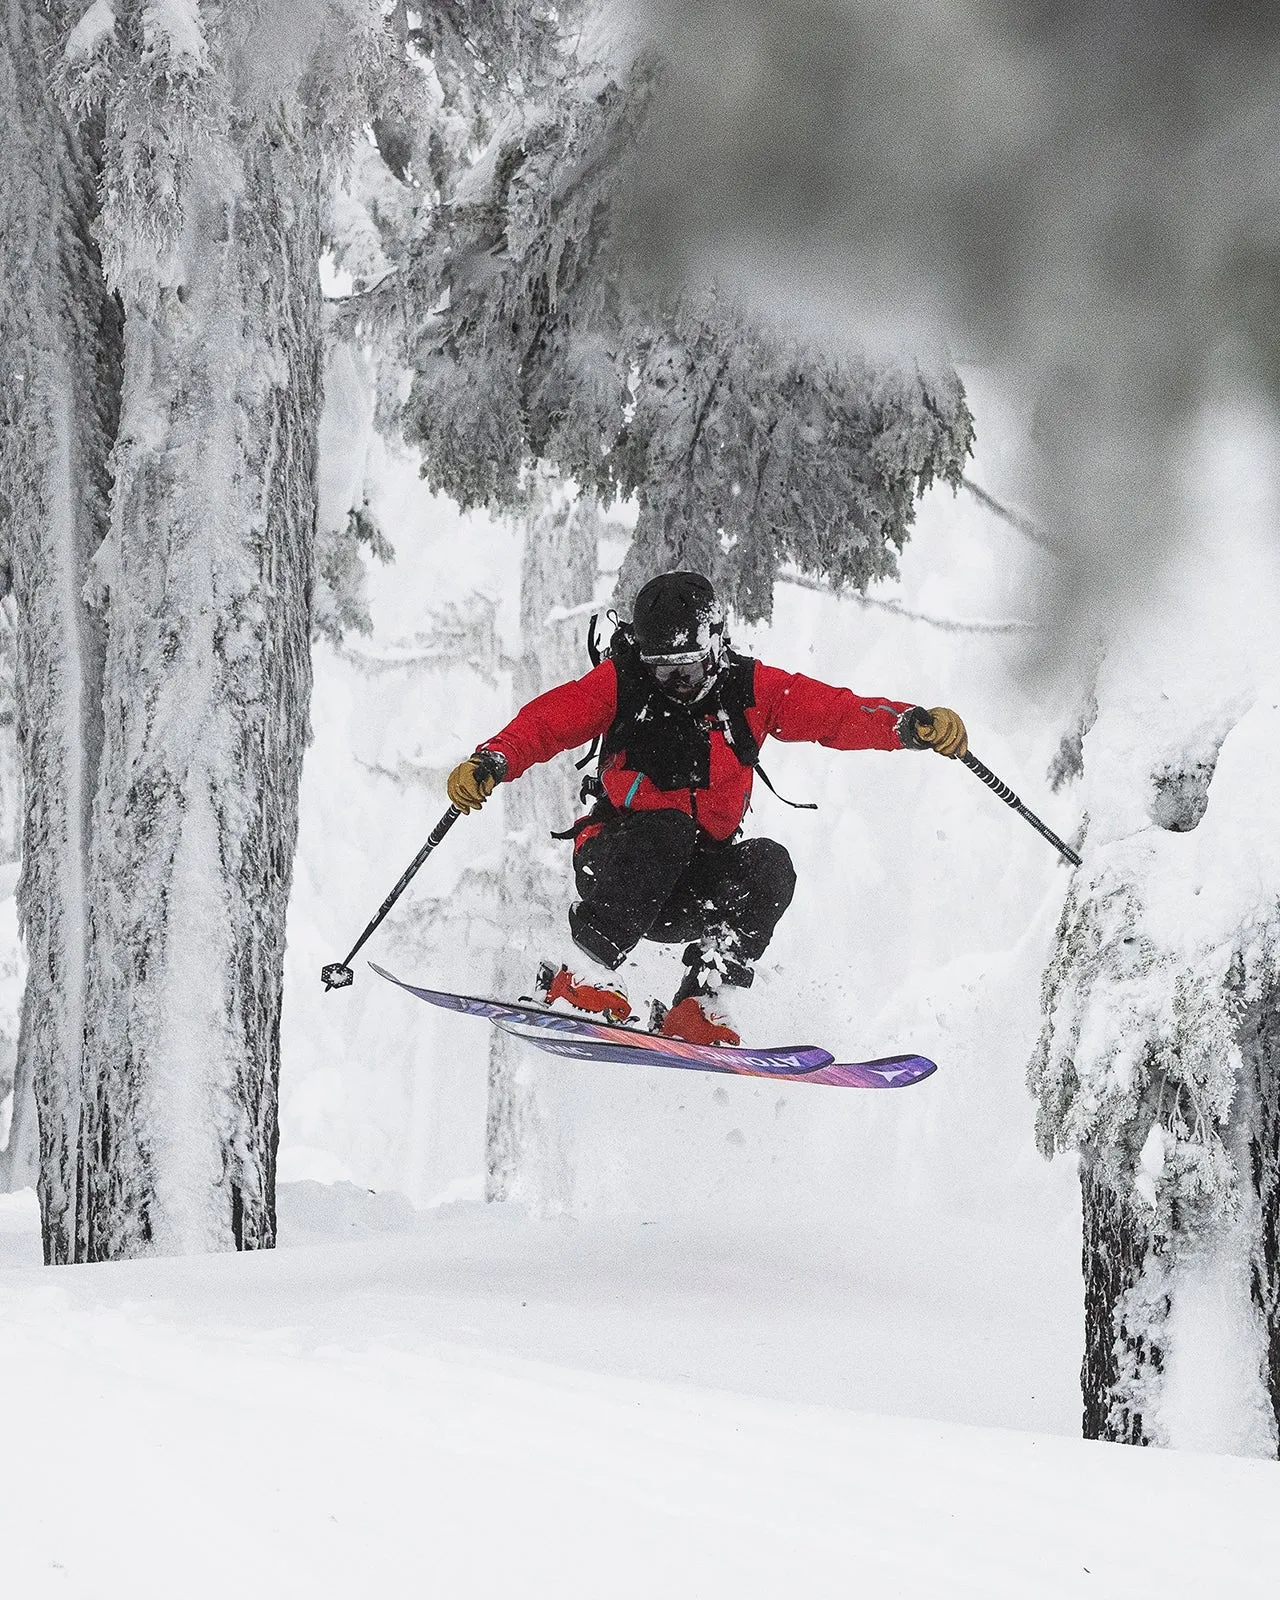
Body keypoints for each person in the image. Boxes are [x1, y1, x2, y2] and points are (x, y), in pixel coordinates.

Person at [446, 571, 967, 1046]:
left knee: (769, 865)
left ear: (715, 644)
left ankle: (699, 999)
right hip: (616, 864)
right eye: (662, 670)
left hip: (690, 887)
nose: (676, 684)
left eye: (688, 668)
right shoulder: (623, 684)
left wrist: (907, 726)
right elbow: (548, 721)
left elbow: (836, 713)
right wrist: (492, 760)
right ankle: (582, 974)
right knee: (670, 827)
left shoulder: (749, 690)